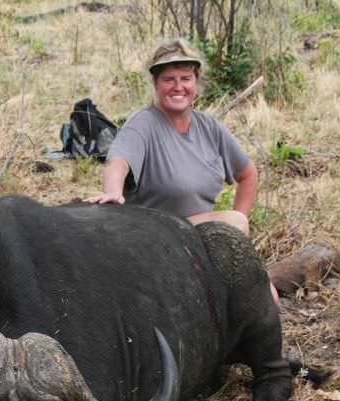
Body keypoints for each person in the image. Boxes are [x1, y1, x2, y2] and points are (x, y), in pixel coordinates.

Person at [84, 38, 278, 302]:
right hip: (155, 237)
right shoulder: (143, 123)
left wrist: (236, 241)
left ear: (196, 81)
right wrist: (113, 193)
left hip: (203, 239)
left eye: (185, 78)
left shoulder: (209, 127)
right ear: (155, 83)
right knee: (235, 222)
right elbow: (118, 160)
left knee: (269, 296)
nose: (178, 87)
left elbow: (247, 174)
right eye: (168, 79)